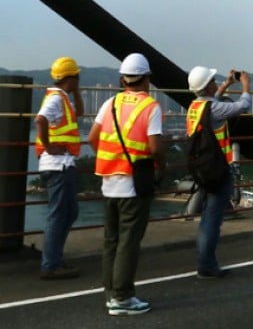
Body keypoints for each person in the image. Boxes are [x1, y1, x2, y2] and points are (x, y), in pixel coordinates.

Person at [88, 53, 166, 316]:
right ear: (147, 79)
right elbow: (155, 147)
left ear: (123, 79)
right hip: (134, 184)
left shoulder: (110, 103)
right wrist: (161, 165)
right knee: (129, 242)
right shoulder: (151, 107)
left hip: (108, 182)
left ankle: (111, 292)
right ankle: (122, 298)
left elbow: (92, 139)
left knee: (111, 240)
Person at [185, 65, 252, 279]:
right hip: (218, 170)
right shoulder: (215, 109)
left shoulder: (195, 106)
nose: (216, 82)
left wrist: (226, 84)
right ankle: (206, 265)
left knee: (207, 215)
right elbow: (243, 106)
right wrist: (245, 85)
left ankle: (207, 262)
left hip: (202, 170)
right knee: (212, 218)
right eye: (213, 80)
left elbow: (211, 100)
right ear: (208, 85)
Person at [34, 56, 83, 280]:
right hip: (57, 164)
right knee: (58, 215)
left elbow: (79, 113)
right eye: (77, 76)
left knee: (70, 212)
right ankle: (50, 264)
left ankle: (54, 259)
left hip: (63, 163)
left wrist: (75, 91)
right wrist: (48, 145)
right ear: (71, 77)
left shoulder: (63, 98)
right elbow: (40, 120)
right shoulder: (55, 99)